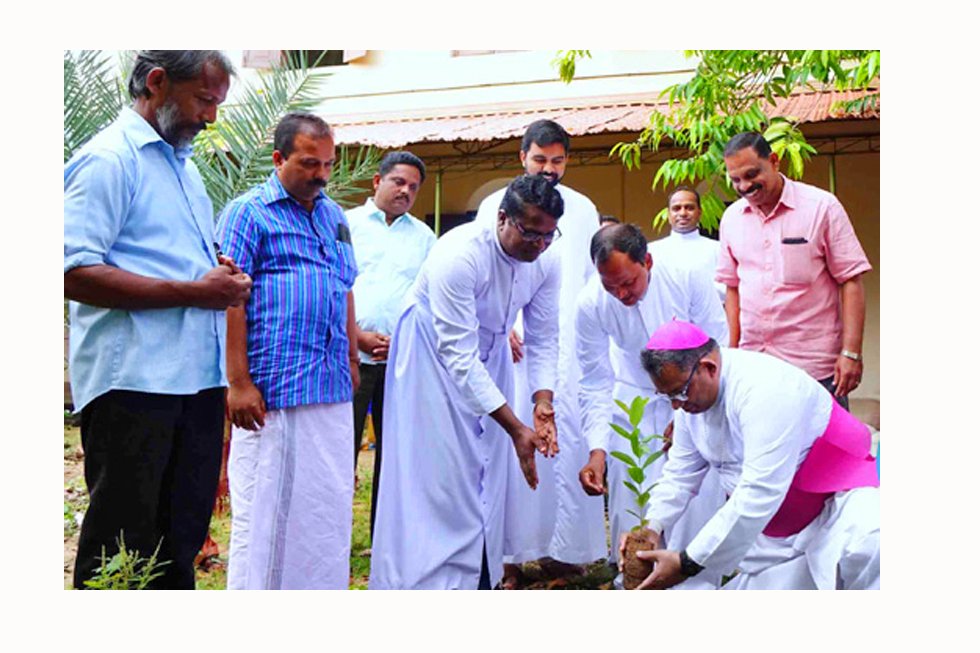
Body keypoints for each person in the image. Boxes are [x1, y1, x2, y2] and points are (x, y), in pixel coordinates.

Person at [65, 50, 252, 589]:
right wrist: (196, 290)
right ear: (156, 82)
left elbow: (164, 258)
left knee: (179, 542)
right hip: (134, 385)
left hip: (195, 381)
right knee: (121, 545)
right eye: (204, 100)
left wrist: (215, 271)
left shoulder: (184, 168)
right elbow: (72, 271)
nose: (211, 116)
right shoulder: (108, 160)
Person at [369, 175, 563, 590]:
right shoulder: (458, 254)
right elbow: (457, 353)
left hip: (489, 356)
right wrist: (516, 427)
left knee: (486, 469)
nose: (538, 245)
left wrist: (542, 402)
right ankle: (424, 580)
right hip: (431, 354)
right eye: (530, 232)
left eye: (548, 235)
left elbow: (544, 336)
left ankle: (478, 574)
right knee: (438, 472)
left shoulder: (547, 257)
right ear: (502, 218)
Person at [622, 320, 879, 590]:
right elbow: (679, 475)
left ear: (708, 368)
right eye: (668, 396)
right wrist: (652, 527)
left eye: (680, 393)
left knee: (874, 541)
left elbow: (759, 490)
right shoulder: (690, 403)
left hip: (834, 509)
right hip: (774, 537)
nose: (676, 405)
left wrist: (687, 563)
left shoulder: (766, 388)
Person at [216, 113, 359, 590]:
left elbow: (345, 286)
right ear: (278, 159)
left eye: (328, 164)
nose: (322, 174)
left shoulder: (334, 215)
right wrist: (237, 382)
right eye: (308, 164)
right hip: (273, 391)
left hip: (331, 386)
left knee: (326, 513)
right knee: (266, 518)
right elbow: (228, 296)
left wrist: (353, 360)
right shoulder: (248, 212)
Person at [474, 119, 605, 582]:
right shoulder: (495, 205)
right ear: (521, 157)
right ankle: (505, 556)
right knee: (509, 444)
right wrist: (505, 323)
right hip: (509, 345)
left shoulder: (584, 209)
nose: (549, 169)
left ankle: (564, 551)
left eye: (558, 160)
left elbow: (591, 279)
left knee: (564, 442)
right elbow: (486, 271)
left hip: (568, 345)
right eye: (540, 159)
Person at [575, 224, 728, 588]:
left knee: (694, 496)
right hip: (633, 403)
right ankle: (635, 581)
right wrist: (597, 449)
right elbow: (594, 379)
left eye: (628, 282)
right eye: (610, 286)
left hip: (694, 398)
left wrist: (689, 406)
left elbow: (717, 343)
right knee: (635, 493)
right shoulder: (590, 303)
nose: (621, 293)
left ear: (648, 261)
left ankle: (697, 583)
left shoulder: (686, 278)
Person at [718, 132, 872, 409]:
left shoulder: (821, 207)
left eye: (752, 174)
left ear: (774, 161)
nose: (744, 186)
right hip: (756, 368)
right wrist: (732, 353)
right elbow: (733, 289)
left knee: (825, 451)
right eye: (736, 180)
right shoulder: (731, 218)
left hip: (815, 370)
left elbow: (850, 280)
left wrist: (851, 353)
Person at [347, 150, 435, 541]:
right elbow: (335, 288)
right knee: (341, 448)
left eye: (414, 187)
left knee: (396, 454)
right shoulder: (344, 226)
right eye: (398, 182)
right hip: (350, 357)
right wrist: (357, 335)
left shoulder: (424, 238)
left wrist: (403, 339)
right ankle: (332, 536)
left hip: (401, 360)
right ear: (376, 182)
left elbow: (429, 298)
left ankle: (385, 538)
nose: (406, 191)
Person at [650, 186, 726, 303]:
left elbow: (726, 289)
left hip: (707, 318)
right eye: (676, 208)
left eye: (689, 208)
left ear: (699, 213)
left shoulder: (717, 249)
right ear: (669, 214)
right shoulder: (653, 251)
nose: (683, 213)